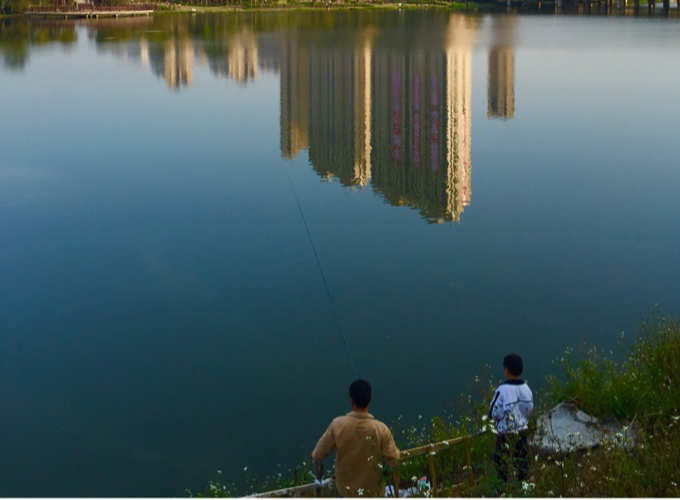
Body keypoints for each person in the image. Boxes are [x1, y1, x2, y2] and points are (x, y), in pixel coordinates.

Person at [312, 379, 400, 497]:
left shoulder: (337, 424)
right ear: (370, 399)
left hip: (346, 492)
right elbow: (394, 458)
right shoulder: (381, 429)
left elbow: (317, 454)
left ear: (351, 400)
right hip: (373, 493)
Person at [489, 353, 534, 483]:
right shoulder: (526, 389)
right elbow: (530, 409)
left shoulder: (502, 390)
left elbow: (492, 412)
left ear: (506, 370)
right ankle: (523, 489)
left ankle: (505, 490)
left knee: (501, 464)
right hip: (522, 433)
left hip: (505, 435)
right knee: (523, 465)